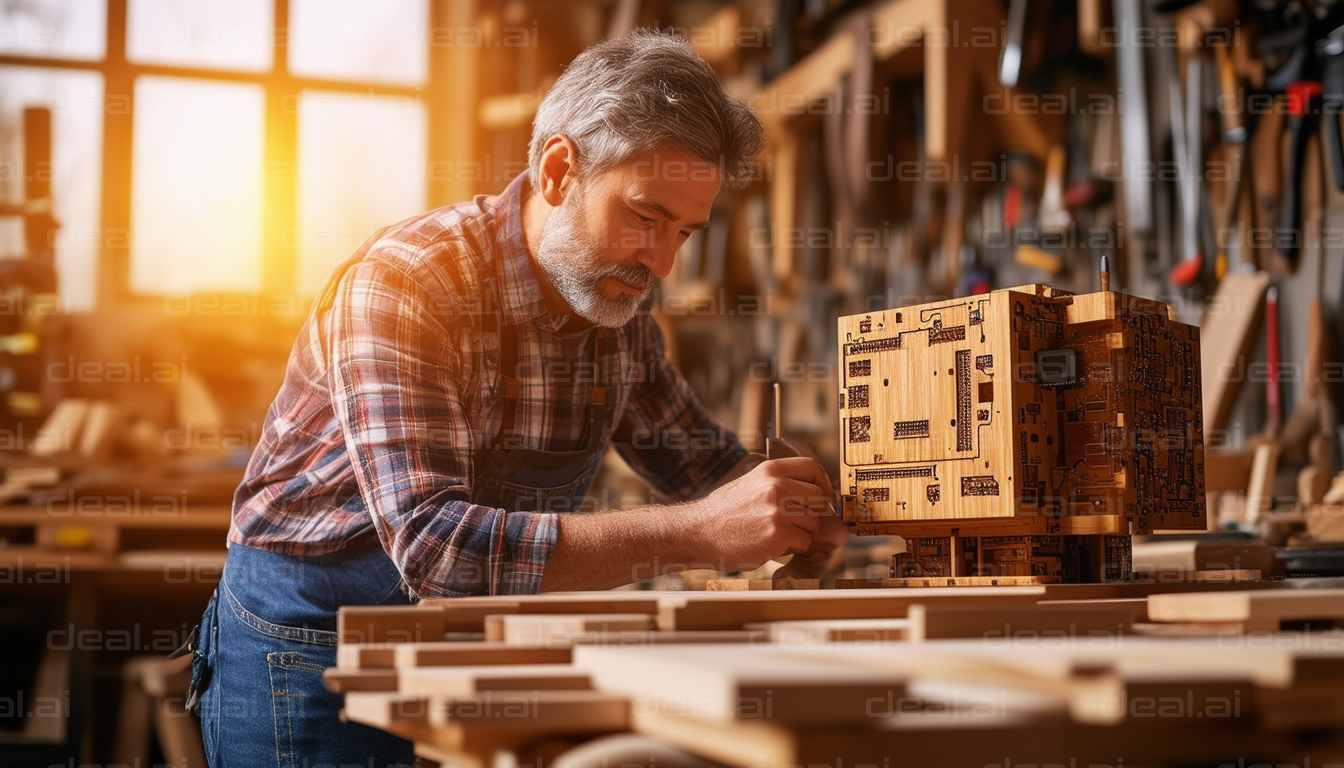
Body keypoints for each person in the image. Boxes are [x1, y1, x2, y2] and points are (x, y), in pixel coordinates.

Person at [184, 29, 846, 768]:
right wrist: (696, 533)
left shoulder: (613, 306)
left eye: (685, 232)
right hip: (310, 650)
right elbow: (435, 548)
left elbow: (702, 466)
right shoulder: (409, 283)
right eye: (646, 217)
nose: (661, 262)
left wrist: (809, 504)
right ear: (559, 170)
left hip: (464, 640)